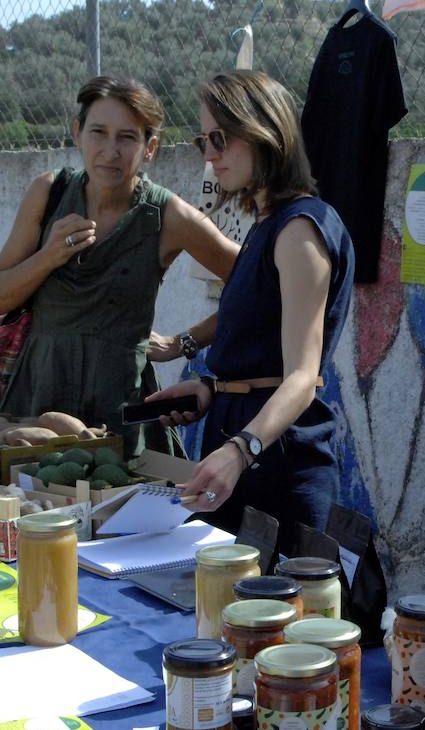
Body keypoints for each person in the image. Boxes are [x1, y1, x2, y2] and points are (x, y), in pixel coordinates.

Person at [147, 70, 355, 551]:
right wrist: (207, 386)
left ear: (264, 134)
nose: (209, 154)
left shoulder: (300, 230)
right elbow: (254, 318)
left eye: (220, 138)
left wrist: (241, 449)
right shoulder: (268, 225)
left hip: (277, 464)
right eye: (204, 139)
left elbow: (302, 378)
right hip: (242, 442)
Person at [0, 76, 239, 454]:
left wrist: (182, 342)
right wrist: (49, 255)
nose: (110, 151)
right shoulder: (48, 193)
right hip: (34, 405)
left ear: (150, 148)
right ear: (77, 133)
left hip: (120, 412)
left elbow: (260, 284)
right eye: (98, 132)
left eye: (127, 137)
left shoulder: (168, 215)